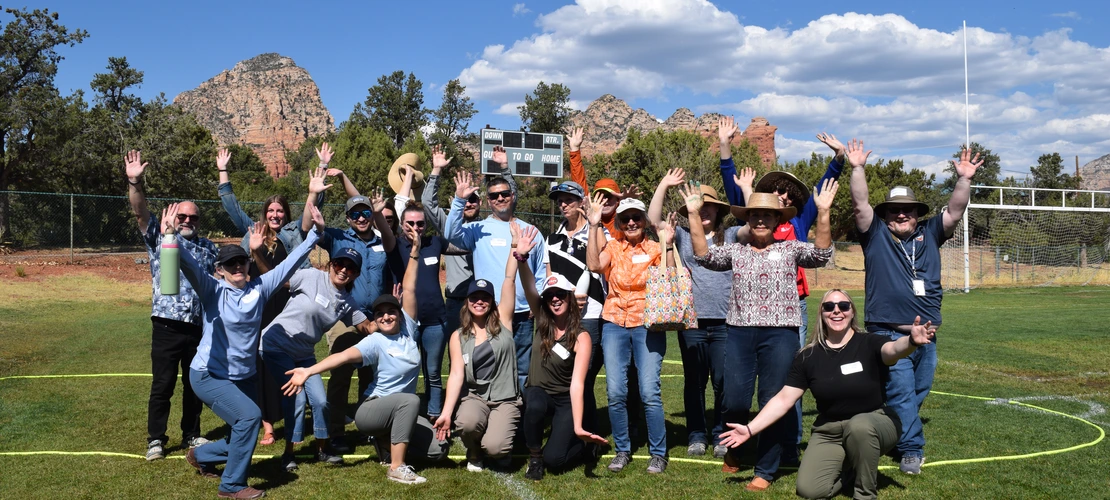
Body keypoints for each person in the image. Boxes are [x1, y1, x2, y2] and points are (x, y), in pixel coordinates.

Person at [688, 179, 837, 492]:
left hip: (780, 334)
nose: (759, 220)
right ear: (747, 218)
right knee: (733, 399)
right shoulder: (736, 251)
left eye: (767, 216)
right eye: (754, 215)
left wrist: (823, 212)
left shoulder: (790, 249)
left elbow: (822, 254)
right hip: (739, 332)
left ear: (777, 220)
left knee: (772, 401)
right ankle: (734, 447)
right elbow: (703, 256)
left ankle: (765, 469)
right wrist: (692, 214)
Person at [171, 201, 324, 500]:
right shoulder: (212, 290)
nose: (238, 267)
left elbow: (290, 263)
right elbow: (188, 264)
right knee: (250, 417)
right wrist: (170, 236)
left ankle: (201, 456)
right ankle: (231, 486)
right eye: (231, 264)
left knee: (243, 432)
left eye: (241, 262)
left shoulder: (259, 289)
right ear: (220, 270)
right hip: (208, 375)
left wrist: (315, 235)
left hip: (245, 376)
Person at [719, 290, 936, 499]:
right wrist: (750, 429)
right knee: (810, 490)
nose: (836, 311)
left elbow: (893, 350)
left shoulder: (869, 342)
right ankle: (852, 466)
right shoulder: (808, 356)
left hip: (877, 422)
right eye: (829, 307)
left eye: (843, 306)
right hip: (830, 430)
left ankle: (865, 493)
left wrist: (910, 342)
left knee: (859, 426)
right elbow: (784, 399)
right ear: (821, 314)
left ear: (852, 312)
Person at [848, 140, 982, 474]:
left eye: (908, 208)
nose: (902, 213)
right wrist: (857, 168)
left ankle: (885, 429)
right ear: (886, 214)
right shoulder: (875, 234)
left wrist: (963, 179)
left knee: (917, 391)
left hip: (927, 333)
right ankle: (910, 449)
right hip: (888, 331)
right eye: (894, 209)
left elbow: (954, 211)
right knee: (903, 389)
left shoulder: (930, 233)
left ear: (918, 213)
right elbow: (860, 203)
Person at [284, 223, 449, 485]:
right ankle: (396, 467)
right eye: (380, 313)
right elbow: (341, 357)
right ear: (376, 318)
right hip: (371, 411)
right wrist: (308, 370)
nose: (386, 316)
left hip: (398, 412)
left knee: (438, 450)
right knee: (410, 401)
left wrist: (415, 253)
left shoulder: (408, 329)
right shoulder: (375, 341)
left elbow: (410, 285)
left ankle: (385, 442)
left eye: (391, 311)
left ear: (400, 314)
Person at [722, 118, 847, 464]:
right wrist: (725, 150)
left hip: (791, 310)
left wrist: (837, 160)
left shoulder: (797, 223)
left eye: (789, 195)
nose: (783, 196)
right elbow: (736, 196)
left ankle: (787, 445)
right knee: (743, 388)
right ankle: (739, 445)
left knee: (787, 381)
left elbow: (823, 194)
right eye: (779, 191)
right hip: (747, 316)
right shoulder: (754, 221)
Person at [215, 145, 330, 447]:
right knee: (261, 366)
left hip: (288, 304)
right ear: (264, 214)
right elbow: (232, 208)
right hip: (261, 306)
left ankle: (297, 413)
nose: (275, 214)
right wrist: (223, 172)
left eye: (280, 210)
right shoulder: (253, 232)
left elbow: (311, 215)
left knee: (290, 360)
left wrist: (319, 178)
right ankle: (267, 424)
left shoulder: (294, 233)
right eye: (271, 211)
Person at [125, 149, 216, 461]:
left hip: (198, 327)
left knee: (195, 385)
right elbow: (139, 212)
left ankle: (191, 433)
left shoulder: (208, 248)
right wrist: (136, 183)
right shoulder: (159, 237)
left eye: (193, 217)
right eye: (182, 216)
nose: (188, 220)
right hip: (166, 324)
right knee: (162, 385)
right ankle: (156, 440)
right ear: (173, 218)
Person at [258, 245, 379, 471]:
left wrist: (389, 315)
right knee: (297, 398)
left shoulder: (346, 302)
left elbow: (367, 327)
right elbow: (275, 279)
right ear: (331, 264)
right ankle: (288, 453)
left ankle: (322, 449)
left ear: (356, 274)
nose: (343, 270)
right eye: (339, 264)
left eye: (350, 268)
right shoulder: (311, 276)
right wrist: (257, 253)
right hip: (275, 345)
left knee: (321, 401)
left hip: (304, 355)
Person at [647, 168, 739, 459]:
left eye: (708, 206)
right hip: (693, 322)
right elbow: (653, 220)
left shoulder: (734, 235)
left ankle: (722, 434)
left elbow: (754, 222)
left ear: (718, 210)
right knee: (695, 381)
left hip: (727, 322)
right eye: (698, 206)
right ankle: (697, 434)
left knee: (723, 381)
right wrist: (663, 183)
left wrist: (746, 188)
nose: (704, 210)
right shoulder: (683, 236)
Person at [303, 167, 397, 452]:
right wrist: (313, 193)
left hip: (375, 317)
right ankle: (335, 431)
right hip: (344, 315)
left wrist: (375, 210)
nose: (360, 217)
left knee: (372, 374)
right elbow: (307, 227)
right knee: (341, 372)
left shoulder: (383, 240)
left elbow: (390, 239)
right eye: (354, 214)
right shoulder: (337, 237)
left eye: (365, 213)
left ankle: (370, 426)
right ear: (347, 218)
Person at [586, 195, 674, 474]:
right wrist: (592, 226)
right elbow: (594, 266)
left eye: (636, 217)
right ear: (620, 223)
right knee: (615, 391)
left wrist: (669, 245)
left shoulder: (656, 247)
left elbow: (671, 275)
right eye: (626, 219)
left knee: (649, 391)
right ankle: (622, 449)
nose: (632, 222)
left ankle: (658, 453)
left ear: (645, 221)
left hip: (648, 324)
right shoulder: (612, 246)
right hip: (614, 323)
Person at [432, 224, 527, 473]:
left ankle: (493, 446)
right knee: (465, 423)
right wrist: (446, 413)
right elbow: (456, 376)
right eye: (475, 297)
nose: (480, 302)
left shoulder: (504, 322)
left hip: (505, 400)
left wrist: (515, 246)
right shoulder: (458, 336)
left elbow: (509, 279)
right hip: (476, 397)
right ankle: (474, 452)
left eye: (485, 298)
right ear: (467, 302)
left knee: (496, 448)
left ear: (492, 302)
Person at [446, 169, 545, 390]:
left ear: (512, 196)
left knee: (521, 367)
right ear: (488, 201)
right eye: (494, 196)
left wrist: (535, 303)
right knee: (488, 365)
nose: (500, 198)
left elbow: (540, 273)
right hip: (488, 314)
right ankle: (488, 409)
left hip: (523, 314)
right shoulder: (477, 229)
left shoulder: (531, 231)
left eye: (505, 193)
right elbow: (451, 234)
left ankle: (517, 415)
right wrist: (459, 201)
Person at [523, 235, 613, 480]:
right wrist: (521, 259)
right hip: (539, 392)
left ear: (569, 297)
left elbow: (577, 385)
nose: (555, 298)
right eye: (550, 294)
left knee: (557, 460)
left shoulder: (581, 336)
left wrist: (577, 427)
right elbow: (529, 287)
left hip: (564, 398)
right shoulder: (542, 322)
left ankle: (584, 445)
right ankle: (534, 457)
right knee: (535, 404)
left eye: (560, 294)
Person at [421, 144, 518, 352]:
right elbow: (428, 204)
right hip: (458, 302)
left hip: (487, 301)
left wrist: (504, 168)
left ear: (481, 201)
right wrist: (436, 170)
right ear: (455, 201)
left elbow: (510, 198)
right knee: (460, 354)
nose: (469, 204)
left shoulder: (487, 228)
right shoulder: (448, 225)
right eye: (464, 200)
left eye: (473, 199)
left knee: (490, 353)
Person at [543, 180, 607, 435]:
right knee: (565, 376)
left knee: (585, 378)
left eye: (568, 199)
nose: (563, 204)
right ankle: (567, 430)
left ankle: (586, 433)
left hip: (590, 316)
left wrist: (595, 224)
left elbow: (601, 264)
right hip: (560, 318)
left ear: (582, 201)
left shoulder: (599, 231)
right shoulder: (552, 239)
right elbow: (549, 279)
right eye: (559, 200)